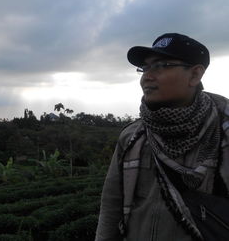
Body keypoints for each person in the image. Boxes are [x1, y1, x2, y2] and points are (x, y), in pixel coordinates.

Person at [95, 33, 229, 241]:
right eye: (145, 68)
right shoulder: (132, 137)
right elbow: (111, 206)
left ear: (195, 75)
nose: (147, 77)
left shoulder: (222, 132)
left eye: (162, 65)